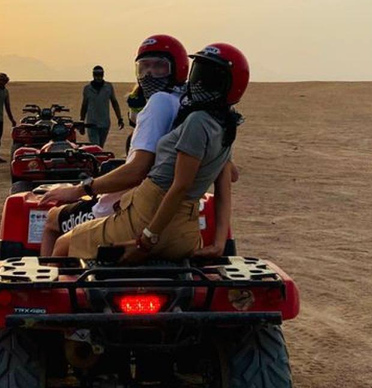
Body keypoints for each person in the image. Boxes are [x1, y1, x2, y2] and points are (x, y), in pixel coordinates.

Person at [51, 43, 249, 263]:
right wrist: (220, 243)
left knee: (63, 245)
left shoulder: (196, 120)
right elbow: (224, 187)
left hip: (150, 214)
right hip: (185, 230)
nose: (199, 82)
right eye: (199, 73)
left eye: (208, 78)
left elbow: (178, 186)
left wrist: (147, 238)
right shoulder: (226, 124)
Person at [39, 35, 190, 255]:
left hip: (129, 208)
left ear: (177, 68)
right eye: (144, 67)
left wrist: (79, 189)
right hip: (175, 213)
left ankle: (50, 285)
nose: (149, 74)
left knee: (54, 222)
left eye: (159, 66)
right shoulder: (188, 106)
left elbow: (137, 171)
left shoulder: (159, 102)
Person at [80, 65, 124, 147]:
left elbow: (114, 103)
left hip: (104, 123)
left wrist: (119, 118)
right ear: (93, 75)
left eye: (100, 75)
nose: (98, 77)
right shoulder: (87, 89)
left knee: (100, 147)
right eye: (96, 75)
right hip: (91, 123)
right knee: (95, 146)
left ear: (103, 75)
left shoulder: (108, 87)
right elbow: (84, 106)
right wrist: (82, 121)